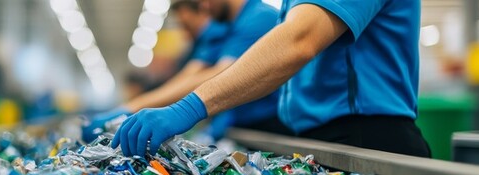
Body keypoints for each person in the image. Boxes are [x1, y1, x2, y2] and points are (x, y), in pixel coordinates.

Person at [112, 0, 432, 159]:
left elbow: (298, 42)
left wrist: (187, 108)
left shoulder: (257, 17)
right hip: (325, 142)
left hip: (368, 143)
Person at [81, 0, 289, 143]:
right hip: (243, 125)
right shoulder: (225, 27)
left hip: (271, 126)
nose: (204, 6)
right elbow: (190, 75)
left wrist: (184, 110)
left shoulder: (259, 19)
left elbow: (221, 72)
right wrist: (130, 107)